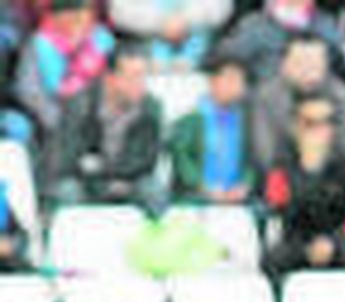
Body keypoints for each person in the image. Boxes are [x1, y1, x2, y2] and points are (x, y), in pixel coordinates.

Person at [260, 91, 345, 275]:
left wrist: (332, 245)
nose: (319, 130)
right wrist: (309, 173)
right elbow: (281, 220)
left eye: (326, 122)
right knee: (274, 258)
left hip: (342, 249)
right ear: (296, 127)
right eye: (310, 123)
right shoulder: (280, 170)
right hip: (297, 250)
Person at [51, 38, 163, 211]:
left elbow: (147, 162)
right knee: (67, 190)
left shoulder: (151, 109)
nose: (140, 84)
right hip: (87, 184)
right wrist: (103, 181)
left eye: (143, 76)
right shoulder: (80, 106)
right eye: (133, 76)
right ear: (110, 78)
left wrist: (111, 174)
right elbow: (66, 161)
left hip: (128, 182)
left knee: (153, 190)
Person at [248, 31, 345, 172]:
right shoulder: (266, 97)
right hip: (280, 177)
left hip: (332, 178)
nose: (308, 72)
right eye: (300, 64)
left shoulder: (343, 96)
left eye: (316, 64)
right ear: (284, 65)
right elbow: (265, 155)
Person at [13, 0, 113, 141]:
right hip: (52, 120)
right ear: (56, 16)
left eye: (84, 13)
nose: (78, 19)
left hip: (97, 120)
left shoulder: (103, 41)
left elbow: (114, 84)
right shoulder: (40, 44)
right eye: (71, 13)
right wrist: (57, 120)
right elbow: (28, 90)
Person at [165, 49, 251, 204]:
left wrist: (244, 185)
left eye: (240, 81)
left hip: (236, 201)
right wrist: (202, 186)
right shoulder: (192, 117)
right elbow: (181, 157)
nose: (237, 86)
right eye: (230, 79)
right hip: (196, 201)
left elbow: (251, 162)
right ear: (212, 81)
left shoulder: (245, 119)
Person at [105, 0, 230, 70]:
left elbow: (222, 7)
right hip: (142, 59)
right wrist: (159, 22)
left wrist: (185, 19)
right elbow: (117, 11)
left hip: (200, 62)